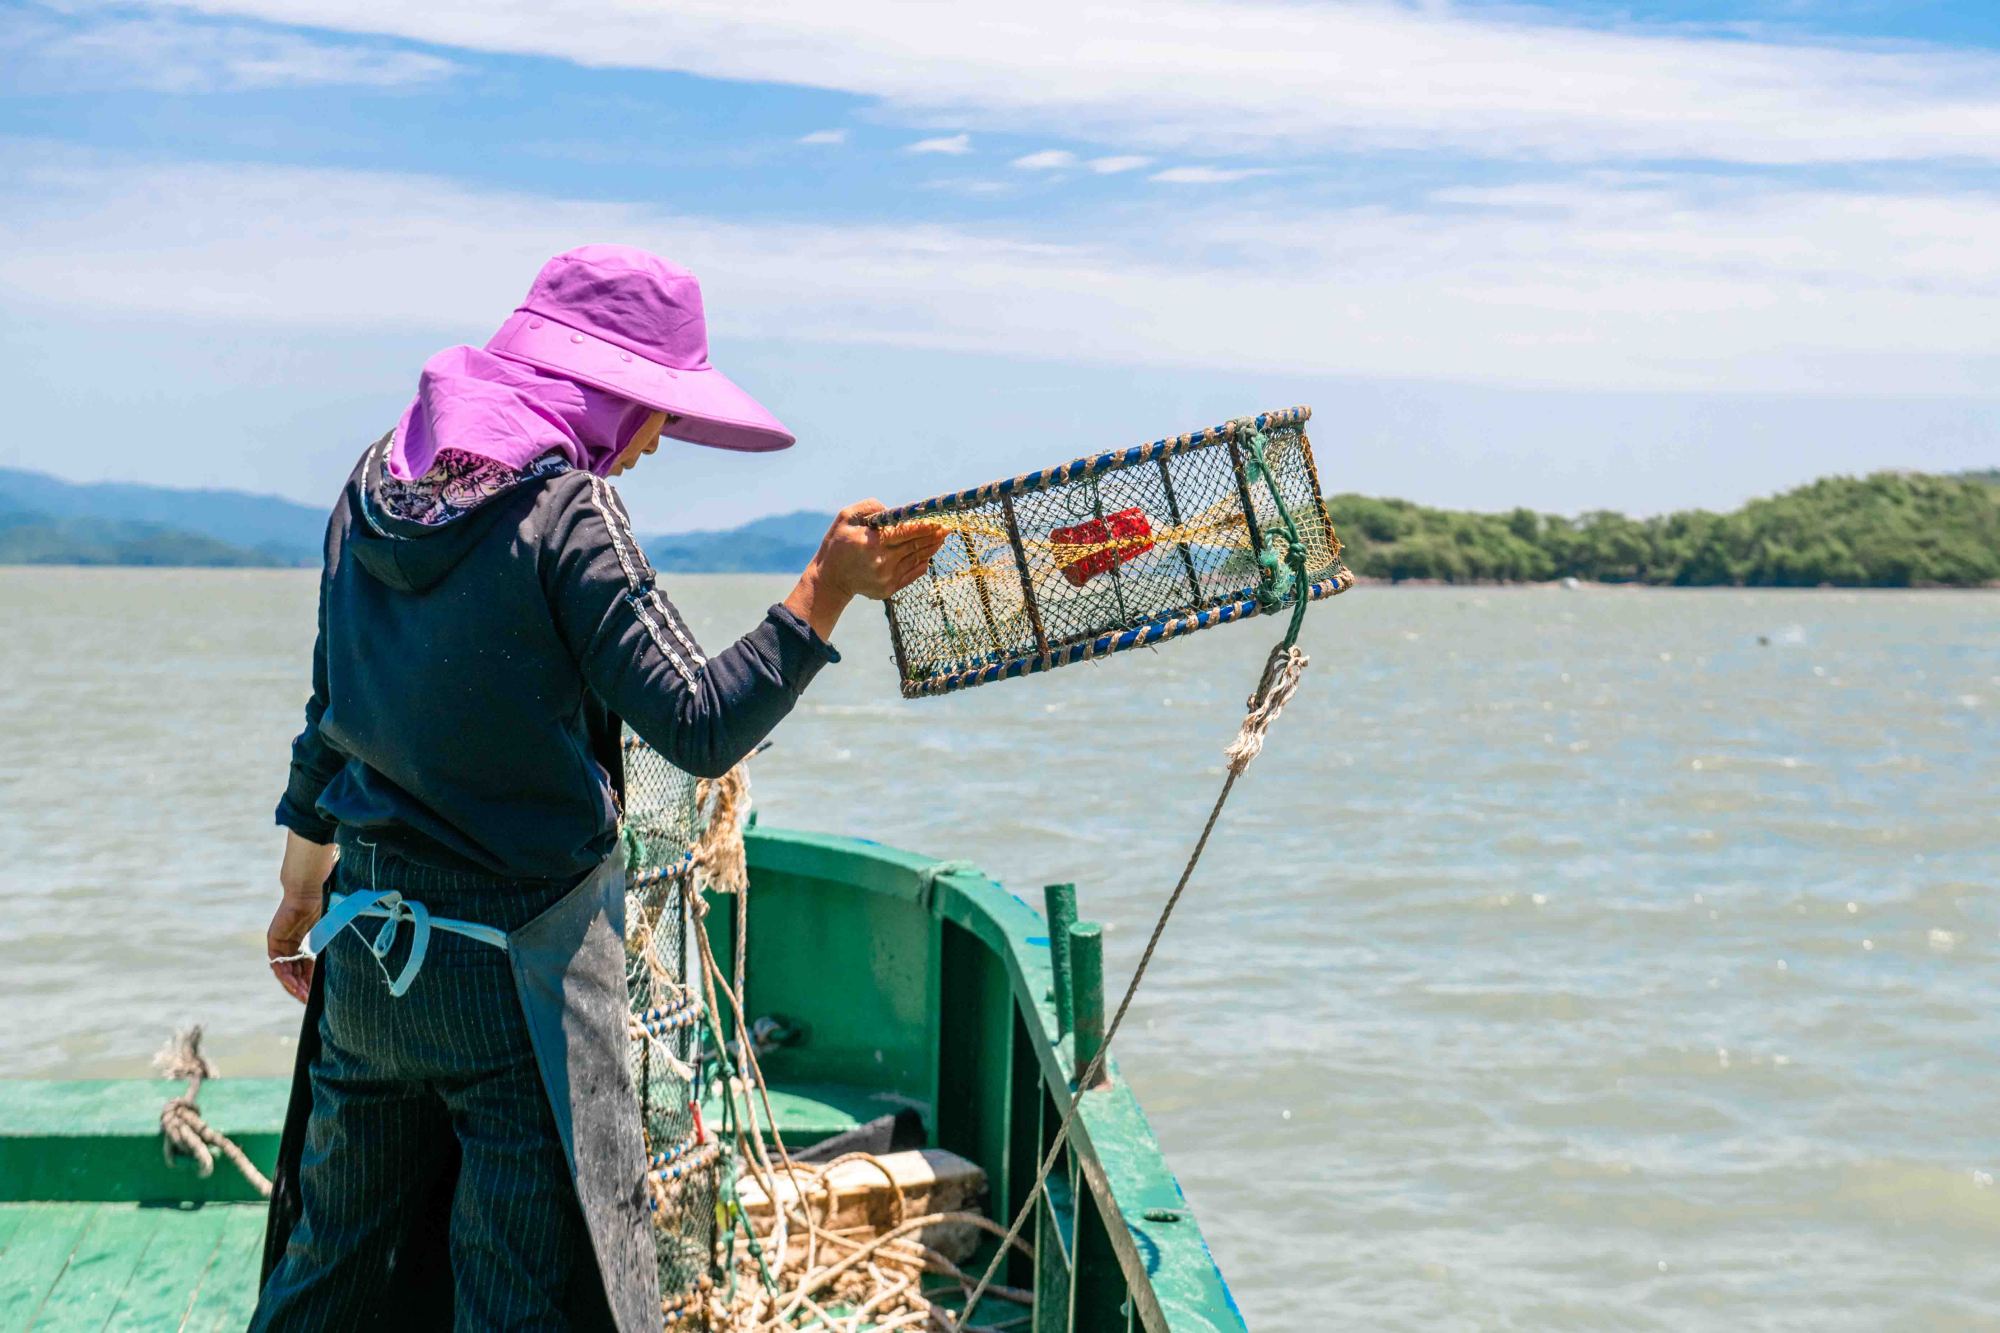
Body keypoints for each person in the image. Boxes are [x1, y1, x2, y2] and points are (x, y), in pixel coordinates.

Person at [251, 245, 945, 1330]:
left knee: (331, 1269)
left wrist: (300, 884)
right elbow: (698, 722)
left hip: (365, 957)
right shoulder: (565, 510)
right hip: (512, 974)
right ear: (610, 394)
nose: (655, 440)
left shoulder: (375, 480)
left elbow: (331, 712)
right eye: (655, 412)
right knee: (517, 1292)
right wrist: (825, 589)